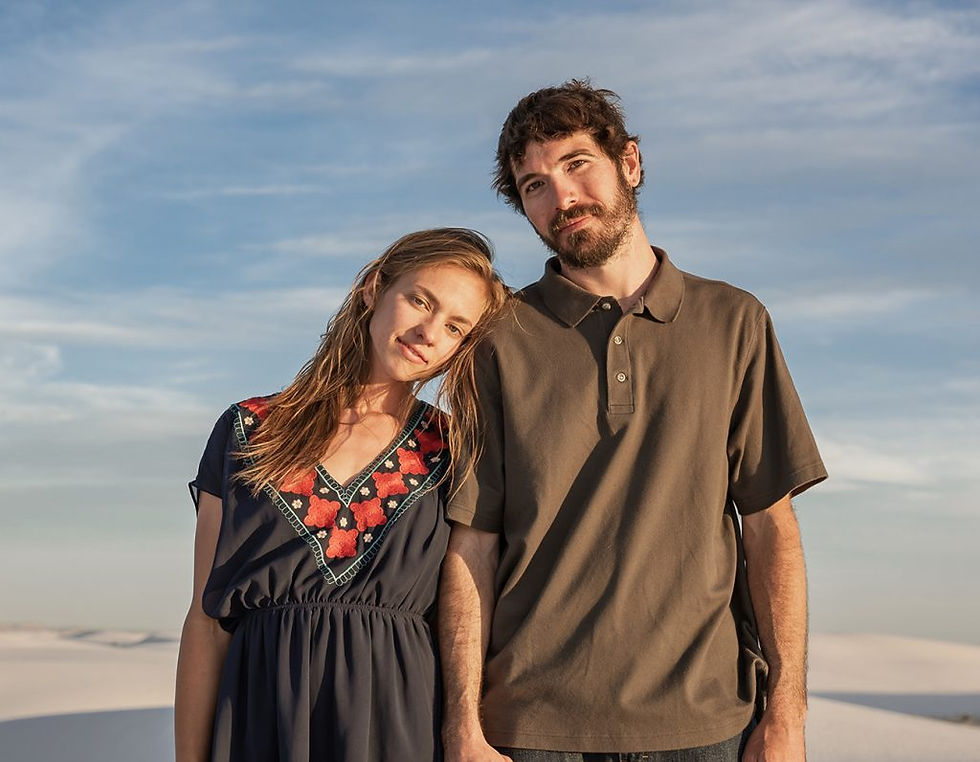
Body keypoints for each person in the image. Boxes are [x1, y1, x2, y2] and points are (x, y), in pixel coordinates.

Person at [439, 81, 828, 762]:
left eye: (576, 164)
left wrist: (787, 715)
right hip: (530, 728)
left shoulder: (734, 321)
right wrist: (462, 727)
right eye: (534, 186)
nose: (562, 198)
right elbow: (473, 543)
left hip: (706, 725)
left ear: (630, 162)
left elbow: (771, 526)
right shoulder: (498, 339)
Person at [175, 228, 508, 762]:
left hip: (401, 728)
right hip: (262, 725)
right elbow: (205, 622)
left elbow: (466, 611)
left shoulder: (456, 450)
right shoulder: (249, 430)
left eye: (454, 327)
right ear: (374, 287)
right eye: (420, 301)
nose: (428, 333)